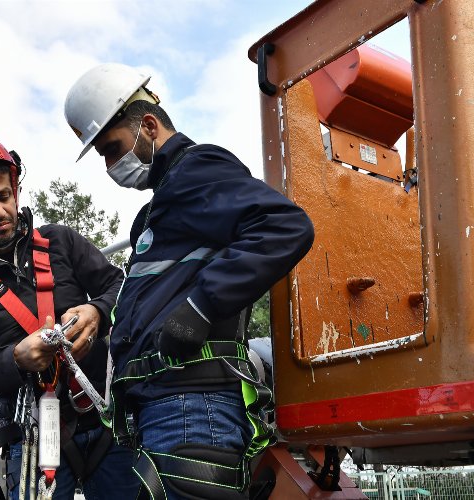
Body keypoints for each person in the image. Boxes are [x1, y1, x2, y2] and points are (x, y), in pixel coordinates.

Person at [64, 64, 315, 499]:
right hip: (167, 408)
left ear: (148, 125)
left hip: (192, 406)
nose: (109, 165)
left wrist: (199, 308)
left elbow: (284, 226)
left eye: (111, 149)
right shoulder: (158, 209)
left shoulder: (196, 168)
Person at [0, 135, 138, 499]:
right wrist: (13, 360)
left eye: (3, 196)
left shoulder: (61, 243)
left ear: (16, 192)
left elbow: (121, 286)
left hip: (107, 428)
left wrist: (98, 310)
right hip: (31, 441)